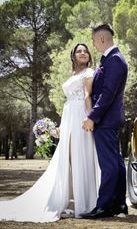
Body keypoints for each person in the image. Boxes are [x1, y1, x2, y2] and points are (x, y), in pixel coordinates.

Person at [0, 43, 100, 222]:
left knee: (80, 156)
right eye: (79, 51)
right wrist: (62, 127)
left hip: (81, 115)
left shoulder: (88, 73)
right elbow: (69, 102)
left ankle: (86, 203)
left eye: (85, 51)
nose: (83, 53)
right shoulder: (74, 74)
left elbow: (87, 95)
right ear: (74, 56)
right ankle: (71, 199)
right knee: (67, 158)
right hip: (70, 114)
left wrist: (90, 118)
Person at [81, 22, 128, 219]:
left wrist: (92, 117)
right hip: (109, 119)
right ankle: (118, 204)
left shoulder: (115, 60)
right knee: (116, 162)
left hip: (106, 120)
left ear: (101, 39)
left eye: (93, 40)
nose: (93, 44)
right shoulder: (110, 59)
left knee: (108, 164)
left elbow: (108, 93)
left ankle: (104, 206)